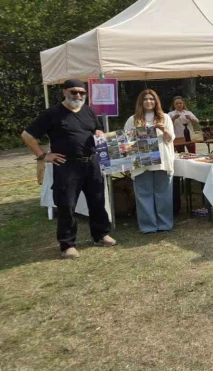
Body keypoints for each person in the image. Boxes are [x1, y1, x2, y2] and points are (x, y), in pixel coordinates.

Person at [21, 79, 116, 259]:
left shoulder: (88, 111)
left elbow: (98, 129)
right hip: (67, 165)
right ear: (65, 92)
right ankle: (67, 244)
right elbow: (27, 135)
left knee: (97, 199)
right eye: (74, 92)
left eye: (82, 93)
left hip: (91, 162)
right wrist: (43, 155)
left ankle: (101, 234)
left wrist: (99, 133)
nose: (78, 96)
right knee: (67, 205)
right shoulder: (53, 113)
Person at [124, 89, 176, 234]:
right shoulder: (132, 120)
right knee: (143, 194)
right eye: (145, 99)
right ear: (140, 102)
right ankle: (148, 226)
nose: (149, 102)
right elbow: (126, 143)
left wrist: (164, 130)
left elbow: (170, 139)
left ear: (156, 101)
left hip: (162, 161)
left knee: (163, 193)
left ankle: (165, 224)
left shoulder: (165, 117)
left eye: (152, 99)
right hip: (141, 162)